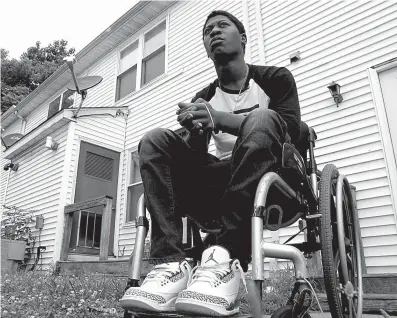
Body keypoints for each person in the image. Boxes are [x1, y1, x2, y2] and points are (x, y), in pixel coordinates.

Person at [120, 9, 300, 316]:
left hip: (274, 180)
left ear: (242, 39)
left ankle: (225, 258)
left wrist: (220, 119)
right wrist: (194, 131)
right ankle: (170, 264)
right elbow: (194, 159)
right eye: (207, 31)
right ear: (206, 48)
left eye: (222, 26)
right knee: (154, 140)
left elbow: (291, 130)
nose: (213, 32)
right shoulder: (203, 96)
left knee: (261, 118)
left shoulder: (275, 78)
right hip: (220, 188)